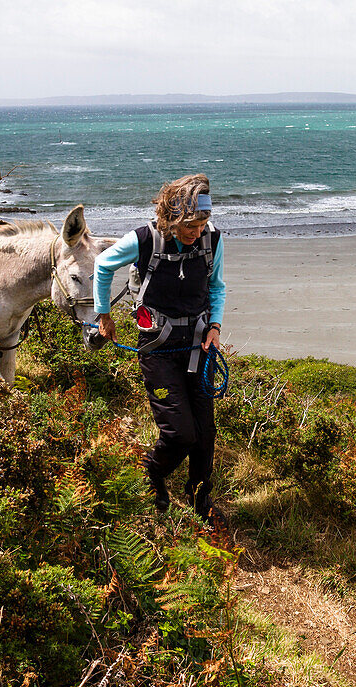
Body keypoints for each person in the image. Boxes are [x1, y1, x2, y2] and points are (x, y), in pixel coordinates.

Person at [93, 173, 226, 523]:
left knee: (205, 432)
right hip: (158, 349)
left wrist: (215, 326)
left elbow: (216, 287)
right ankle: (152, 473)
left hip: (198, 347)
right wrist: (104, 316)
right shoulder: (144, 239)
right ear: (172, 217)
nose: (196, 231)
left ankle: (200, 500)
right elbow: (103, 265)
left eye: (201, 223)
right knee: (179, 433)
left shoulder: (212, 240)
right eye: (189, 225)